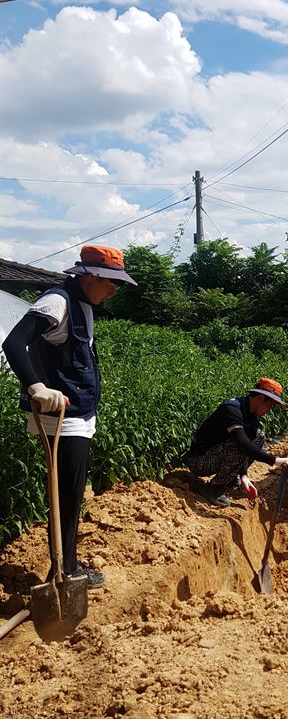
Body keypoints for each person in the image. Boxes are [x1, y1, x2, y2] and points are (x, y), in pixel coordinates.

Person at [2, 245, 138, 589]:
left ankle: (66, 567)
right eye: (110, 282)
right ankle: (65, 570)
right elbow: (14, 343)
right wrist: (35, 386)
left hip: (78, 413)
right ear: (90, 276)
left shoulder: (83, 305)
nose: (114, 289)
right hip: (61, 415)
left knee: (71, 493)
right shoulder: (57, 301)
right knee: (67, 495)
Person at [184, 377, 288, 507]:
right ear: (260, 398)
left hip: (215, 455)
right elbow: (241, 443)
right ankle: (215, 487)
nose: (270, 410)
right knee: (237, 444)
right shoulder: (232, 408)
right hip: (199, 461)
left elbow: (247, 444)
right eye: (270, 405)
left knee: (259, 436)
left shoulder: (252, 416)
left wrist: (243, 475)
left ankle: (230, 479)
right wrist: (276, 460)